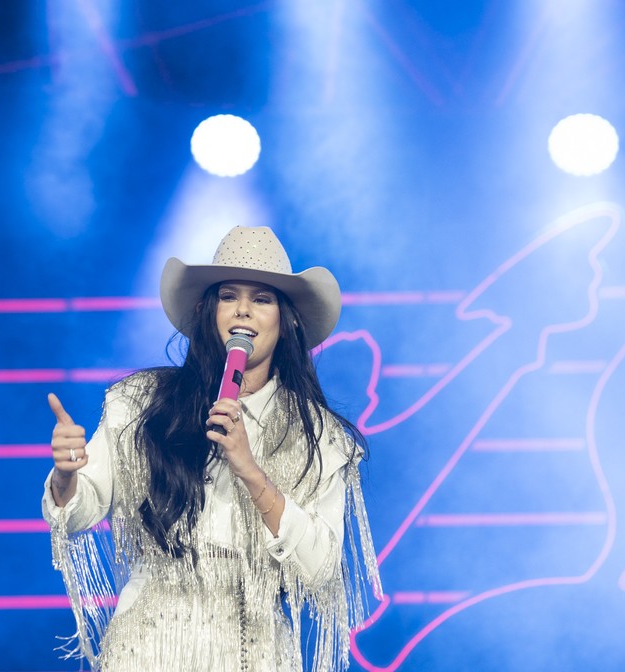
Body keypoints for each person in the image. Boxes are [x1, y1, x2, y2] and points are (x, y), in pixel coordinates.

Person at [42, 226, 382, 672]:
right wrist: (66, 477)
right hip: (150, 646)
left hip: (255, 651)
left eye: (262, 299)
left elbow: (320, 568)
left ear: (288, 319)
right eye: (229, 296)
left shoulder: (318, 436)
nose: (243, 310)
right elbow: (78, 508)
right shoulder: (141, 403)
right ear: (207, 310)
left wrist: (251, 472)